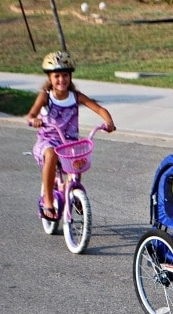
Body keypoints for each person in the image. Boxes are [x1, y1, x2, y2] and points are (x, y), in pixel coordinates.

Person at [27, 51, 115, 221]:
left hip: (68, 143)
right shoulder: (46, 97)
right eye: (57, 76)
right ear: (50, 78)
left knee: (78, 157)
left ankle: (73, 191)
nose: (61, 80)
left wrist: (108, 121)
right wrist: (34, 120)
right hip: (48, 140)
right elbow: (31, 114)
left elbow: (99, 109)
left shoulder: (76, 97)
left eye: (65, 75)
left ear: (70, 77)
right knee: (51, 153)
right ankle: (48, 200)